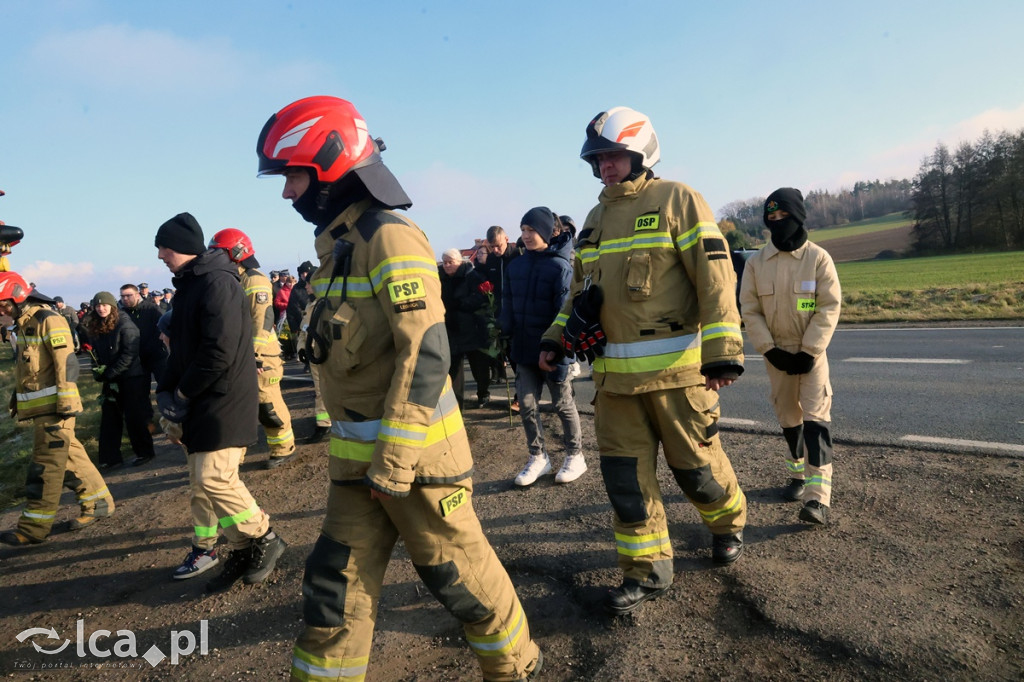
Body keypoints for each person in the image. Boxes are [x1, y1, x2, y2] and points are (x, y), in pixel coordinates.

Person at [258, 95, 542, 681]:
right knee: (331, 592)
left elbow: (427, 349)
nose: (288, 194)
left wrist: (395, 457)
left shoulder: (389, 236)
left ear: (331, 165)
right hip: (356, 466)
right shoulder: (339, 248)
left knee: (460, 581)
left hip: (416, 463)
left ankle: (517, 668)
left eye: (292, 177)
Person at [540, 106, 748, 616]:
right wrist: (555, 337)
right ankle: (646, 573)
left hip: (678, 377)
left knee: (697, 470)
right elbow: (578, 294)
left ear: (640, 152)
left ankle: (729, 524)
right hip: (613, 385)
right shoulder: (592, 219)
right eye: (598, 158)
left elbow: (716, 278)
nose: (605, 166)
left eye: (613, 155)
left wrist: (723, 352)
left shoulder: (678, 199)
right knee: (627, 485)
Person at [154, 212, 286, 590]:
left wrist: (182, 392)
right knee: (204, 481)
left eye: (163, 247)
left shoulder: (217, 283)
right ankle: (243, 546)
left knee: (215, 477)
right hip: (203, 399)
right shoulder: (193, 285)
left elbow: (219, 351)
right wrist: (169, 394)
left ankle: (265, 538)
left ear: (180, 247)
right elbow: (181, 350)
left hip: (223, 398)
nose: (160, 255)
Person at [739, 188, 841, 525]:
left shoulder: (818, 259)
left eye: (784, 217)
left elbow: (828, 306)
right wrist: (769, 350)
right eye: (772, 218)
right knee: (788, 419)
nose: (778, 223)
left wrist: (810, 350)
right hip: (776, 356)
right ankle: (797, 475)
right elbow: (750, 310)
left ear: (798, 218)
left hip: (812, 354)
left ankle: (817, 499)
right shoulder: (755, 264)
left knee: (815, 420)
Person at [0, 272, 115, 546]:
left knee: (46, 467)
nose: (0, 312)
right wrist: (18, 398)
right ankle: (98, 503)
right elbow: (29, 369)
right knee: (72, 458)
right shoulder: (24, 325)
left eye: (2, 305)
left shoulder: (48, 320)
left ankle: (32, 529)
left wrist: (65, 405)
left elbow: (67, 364)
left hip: (56, 411)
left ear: (15, 299)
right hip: (44, 411)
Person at [502, 208, 586, 487]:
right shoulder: (515, 265)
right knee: (526, 405)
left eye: (531, 230)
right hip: (524, 348)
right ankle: (538, 456)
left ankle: (576, 455)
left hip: (553, 350)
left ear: (549, 232)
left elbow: (563, 312)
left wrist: (555, 348)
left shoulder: (561, 267)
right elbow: (508, 304)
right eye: (523, 229)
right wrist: (504, 332)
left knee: (563, 404)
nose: (525, 235)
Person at [208, 228, 296, 469]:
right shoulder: (230, 278)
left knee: (267, 405)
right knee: (240, 407)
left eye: (219, 253)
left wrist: (254, 356)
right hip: (239, 355)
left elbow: (262, 319)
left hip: (260, 356)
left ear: (237, 251)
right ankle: (237, 455)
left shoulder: (254, 279)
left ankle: (283, 448)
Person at [81, 291, 156, 469]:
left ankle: (145, 452)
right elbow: (94, 352)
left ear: (112, 306)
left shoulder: (125, 324)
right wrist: (97, 370)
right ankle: (110, 457)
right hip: (110, 378)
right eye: (98, 306)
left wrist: (111, 372)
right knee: (109, 417)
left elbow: (129, 354)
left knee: (134, 417)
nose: (101, 308)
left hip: (131, 377)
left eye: (105, 305)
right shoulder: (96, 326)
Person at [439, 248, 495, 411]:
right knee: (454, 369)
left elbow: (480, 298)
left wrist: (459, 303)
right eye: (445, 262)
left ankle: (483, 392)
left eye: (451, 262)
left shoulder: (472, 276)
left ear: (459, 262)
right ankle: (456, 404)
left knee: (479, 366)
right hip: (452, 329)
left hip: (473, 328)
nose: (447, 265)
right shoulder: (440, 278)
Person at [295, 282, 331, 444]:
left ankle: (324, 425)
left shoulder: (325, 302)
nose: (307, 288)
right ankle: (324, 422)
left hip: (324, 353)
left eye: (309, 285)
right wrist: (302, 348)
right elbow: (304, 329)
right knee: (320, 389)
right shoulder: (310, 305)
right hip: (314, 353)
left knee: (323, 390)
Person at [120, 283, 169, 388]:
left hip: (158, 355)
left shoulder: (151, 309)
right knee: (141, 391)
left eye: (128, 295)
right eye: (122, 296)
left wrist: (153, 346)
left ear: (137, 295)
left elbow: (162, 329)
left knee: (166, 387)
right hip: (138, 359)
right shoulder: (122, 314)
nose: (125, 298)